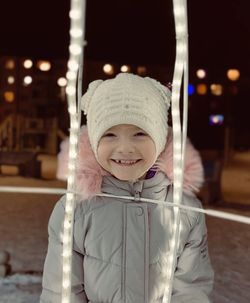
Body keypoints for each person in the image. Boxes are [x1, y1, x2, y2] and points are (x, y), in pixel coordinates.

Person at [40, 73, 214, 303]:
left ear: (160, 138)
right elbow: (61, 291)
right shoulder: (75, 210)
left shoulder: (185, 211)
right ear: (93, 141)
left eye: (140, 134)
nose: (125, 148)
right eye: (110, 135)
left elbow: (191, 289)